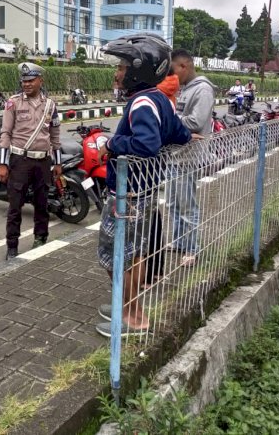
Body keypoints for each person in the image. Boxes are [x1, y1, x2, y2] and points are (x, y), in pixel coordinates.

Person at [94, 34, 194, 337]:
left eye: (123, 67)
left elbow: (146, 144)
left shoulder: (142, 102)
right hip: (146, 187)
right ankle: (126, 306)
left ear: (140, 68)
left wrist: (112, 143)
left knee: (116, 253)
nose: (117, 72)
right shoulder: (160, 99)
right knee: (133, 252)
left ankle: (132, 315)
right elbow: (182, 134)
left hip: (130, 192)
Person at [0, 62, 62, 260]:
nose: (26, 84)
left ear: (40, 81)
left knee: (42, 203)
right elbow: (5, 133)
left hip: (43, 162)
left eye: (31, 80)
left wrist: (57, 163)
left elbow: (55, 135)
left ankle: (41, 239)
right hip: (20, 161)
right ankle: (12, 247)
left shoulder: (51, 105)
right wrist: (2, 163)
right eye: (24, 81)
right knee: (15, 205)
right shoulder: (13, 103)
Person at [169, 49, 217, 266]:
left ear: (183, 66)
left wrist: (170, 119)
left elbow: (196, 122)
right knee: (172, 203)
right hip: (175, 154)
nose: (172, 75)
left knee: (188, 205)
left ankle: (192, 248)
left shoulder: (203, 90)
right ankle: (180, 241)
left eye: (173, 70)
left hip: (189, 156)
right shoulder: (185, 88)